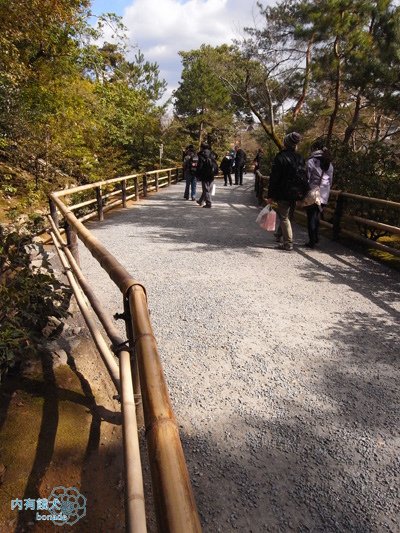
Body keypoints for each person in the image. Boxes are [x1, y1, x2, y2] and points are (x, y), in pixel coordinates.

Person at [267, 132, 308, 251]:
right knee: (287, 215)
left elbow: (274, 178)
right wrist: (304, 193)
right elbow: (304, 176)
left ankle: (288, 243)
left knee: (284, 217)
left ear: (285, 143)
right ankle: (279, 234)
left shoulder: (280, 157)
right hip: (297, 192)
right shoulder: (300, 157)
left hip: (283, 191)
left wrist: (270, 195)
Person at [304, 140, 334, 248]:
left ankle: (312, 240)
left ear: (315, 149)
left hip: (312, 192)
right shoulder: (329, 164)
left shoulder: (311, 161)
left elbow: (306, 177)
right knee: (317, 216)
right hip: (324, 193)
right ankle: (316, 237)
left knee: (311, 217)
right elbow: (330, 180)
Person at [196, 142, 217, 208]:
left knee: (205, 189)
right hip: (212, 173)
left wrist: (197, 174)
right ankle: (201, 201)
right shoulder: (212, 153)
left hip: (204, 173)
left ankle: (209, 203)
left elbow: (200, 166)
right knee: (209, 188)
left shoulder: (201, 154)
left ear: (202, 147)